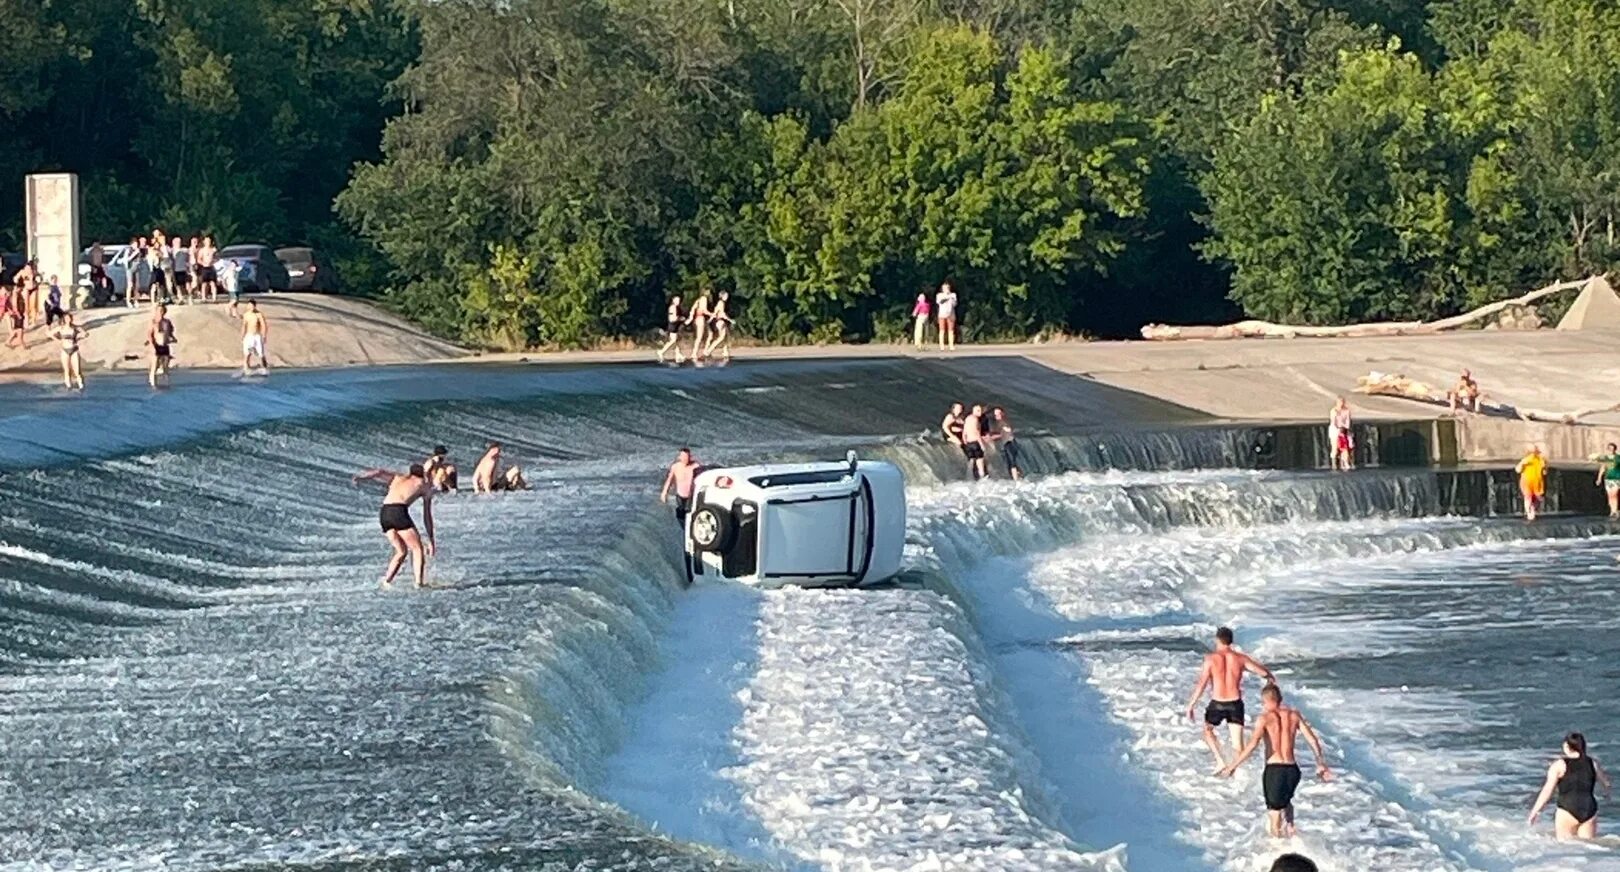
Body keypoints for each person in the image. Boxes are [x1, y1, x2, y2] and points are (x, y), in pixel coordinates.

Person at [1218, 683, 1335, 837]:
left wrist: (1233, 766)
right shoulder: (1294, 715)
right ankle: (1292, 831)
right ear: (1280, 698)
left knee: (1274, 815)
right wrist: (1320, 762)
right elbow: (1312, 740)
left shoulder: (1265, 718)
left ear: (1265, 701)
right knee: (1285, 802)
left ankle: (1278, 846)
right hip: (1293, 771)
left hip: (1275, 770)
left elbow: (1252, 745)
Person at [1184, 626, 1278, 771]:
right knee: (1238, 746)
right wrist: (1270, 677)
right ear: (1231, 641)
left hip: (1218, 703)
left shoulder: (1211, 659)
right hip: (1235, 704)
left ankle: (1220, 761)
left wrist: (1191, 705)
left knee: (1208, 731)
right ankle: (1241, 774)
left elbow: (1201, 684)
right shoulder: (1240, 658)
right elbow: (1261, 672)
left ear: (1217, 640)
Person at [351, 464, 436, 589]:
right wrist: (431, 539)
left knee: (401, 551)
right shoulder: (423, 485)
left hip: (384, 513)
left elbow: (379, 471)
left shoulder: (397, 478)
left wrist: (360, 477)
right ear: (423, 474)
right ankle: (419, 583)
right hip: (398, 511)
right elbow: (427, 515)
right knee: (417, 549)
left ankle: (387, 581)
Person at [1529, 732, 1611, 840]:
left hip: (1567, 809)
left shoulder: (1559, 765)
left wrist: (1535, 812)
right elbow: (1606, 784)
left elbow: (1547, 791)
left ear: (1567, 746)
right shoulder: (1592, 763)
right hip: (1589, 810)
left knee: (1565, 850)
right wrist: (1607, 795)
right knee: (1587, 849)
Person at [659, 447, 700, 525]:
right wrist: (664, 493)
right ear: (679, 457)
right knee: (680, 513)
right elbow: (669, 480)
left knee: (690, 513)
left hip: (691, 496)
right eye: (683, 457)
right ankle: (684, 528)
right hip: (680, 496)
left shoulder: (695, 466)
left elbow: (703, 477)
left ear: (690, 457)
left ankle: (691, 527)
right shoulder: (675, 467)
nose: (685, 459)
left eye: (687, 457)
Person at [52, 312, 85, 391]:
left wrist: (80, 337)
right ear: (64, 319)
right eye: (66, 318)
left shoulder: (74, 327)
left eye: (69, 318)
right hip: (64, 350)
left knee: (77, 370)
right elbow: (49, 333)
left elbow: (85, 333)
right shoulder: (61, 328)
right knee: (67, 370)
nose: (68, 320)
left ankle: (81, 385)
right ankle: (68, 385)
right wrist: (57, 340)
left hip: (74, 349)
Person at [990, 406, 1024, 480]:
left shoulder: (1003, 422)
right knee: (1011, 462)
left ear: (1002, 414)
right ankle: (1019, 476)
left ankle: (1016, 480)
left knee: (1012, 463)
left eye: (998, 414)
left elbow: (1006, 432)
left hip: (1010, 443)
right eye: (995, 414)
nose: (996, 416)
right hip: (1010, 443)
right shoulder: (1001, 422)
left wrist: (991, 437)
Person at [146, 304, 176, 388]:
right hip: (156, 345)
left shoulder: (167, 322)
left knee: (166, 365)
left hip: (165, 345)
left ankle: (166, 383)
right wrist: (152, 345)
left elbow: (170, 332)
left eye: (162, 311)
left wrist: (173, 338)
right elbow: (149, 334)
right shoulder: (153, 322)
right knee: (155, 364)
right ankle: (153, 384)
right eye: (159, 311)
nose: (161, 312)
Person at [1517, 445, 1547, 521]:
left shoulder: (1541, 460)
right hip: (1527, 481)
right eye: (1531, 452)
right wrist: (1522, 464)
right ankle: (1529, 513)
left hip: (1537, 482)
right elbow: (1518, 470)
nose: (1533, 454)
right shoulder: (1525, 460)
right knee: (1528, 497)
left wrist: (1544, 467)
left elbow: (1544, 472)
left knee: (1537, 497)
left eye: (1534, 452)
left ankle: (1532, 510)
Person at [962, 403, 990, 480]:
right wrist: (982, 445)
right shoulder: (976, 419)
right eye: (978, 411)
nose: (980, 412)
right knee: (980, 462)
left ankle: (969, 478)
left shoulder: (967, 418)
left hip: (968, 443)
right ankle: (982, 477)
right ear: (973, 411)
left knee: (971, 461)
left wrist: (965, 441)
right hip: (975, 443)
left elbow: (964, 432)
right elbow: (977, 433)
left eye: (980, 410)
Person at [241, 299, 269, 375]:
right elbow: (244, 326)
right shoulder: (246, 315)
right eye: (249, 305)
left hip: (257, 335)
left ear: (255, 306)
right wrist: (242, 336)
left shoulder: (259, 314)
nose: (251, 307)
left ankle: (265, 368)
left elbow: (263, 325)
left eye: (252, 305)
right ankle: (246, 368)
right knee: (247, 353)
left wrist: (264, 335)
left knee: (261, 354)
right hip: (249, 335)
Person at [704, 291, 734, 360]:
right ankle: (708, 350)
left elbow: (715, 312)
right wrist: (730, 320)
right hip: (720, 321)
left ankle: (725, 351)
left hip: (718, 321)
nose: (727, 297)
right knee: (721, 338)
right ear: (722, 296)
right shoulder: (721, 303)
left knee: (725, 337)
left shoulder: (719, 303)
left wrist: (711, 320)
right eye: (726, 296)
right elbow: (722, 314)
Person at [657, 295, 685, 365]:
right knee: (673, 341)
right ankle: (661, 351)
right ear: (673, 300)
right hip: (672, 326)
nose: (678, 302)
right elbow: (672, 319)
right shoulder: (672, 307)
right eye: (677, 300)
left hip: (674, 325)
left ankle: (678, 355)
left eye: (679, 300)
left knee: (676, 341)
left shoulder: (676, 307)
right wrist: (680, 318)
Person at [686, 290, 712, 363]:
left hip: (699, 318)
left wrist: (691, 317)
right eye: (708, 291)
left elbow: (693, 309)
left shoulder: (698, 300)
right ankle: (694, 353)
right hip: (700, 318)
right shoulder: (704, 299)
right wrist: (712, 314)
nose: (709, 292)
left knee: (710, 334)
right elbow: (704, 310)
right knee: (700, 337)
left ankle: (705, 350)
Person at [1328, 397, 1353, 471]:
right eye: (1339, 402)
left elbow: (1348, 420)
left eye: (1342, 402)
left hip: (1344, 429)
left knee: (1346, 447)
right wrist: (1339, 428)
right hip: (1335, 430)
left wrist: (1345, 428)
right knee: (1335, 447)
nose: (1341, 404)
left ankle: (1345, 463)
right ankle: (1334, 465)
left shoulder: (1347, 411)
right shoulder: (1333, 411)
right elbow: (1333, 421)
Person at [1596, 443, 1620, 519]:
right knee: (1610, 495)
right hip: (1608, 478)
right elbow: (1602, 468)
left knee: (1614, 494)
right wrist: (1599, 478)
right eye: (1609, 449)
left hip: (1616, 478)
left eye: (1612, 449)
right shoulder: (1606, 459)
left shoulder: (1618, 458)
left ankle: (1615, 510)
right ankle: (1612, 510)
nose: (1611, 450)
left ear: (1615, 450)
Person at [936, 282, 958, 351]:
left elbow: (954, 304)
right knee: (942, 330)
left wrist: (951, 298)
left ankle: (951, 345)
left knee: (951, 330)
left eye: (948, 288)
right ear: (942, 289)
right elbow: (940, 302)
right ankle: (941, 345)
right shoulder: (939, 295)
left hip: (951, 314)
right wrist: (947, 297)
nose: (947, 289)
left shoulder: (953, 295)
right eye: (945, 288)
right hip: (942, 314)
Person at [196, 236, 218, 302]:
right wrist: (203, 263)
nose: (208, 242)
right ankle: (203, 297)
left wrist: (213, 261)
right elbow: (198, 259)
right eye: (206, 241)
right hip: (205, 268)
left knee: (213, 283)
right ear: (204, 242)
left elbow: (217, 258)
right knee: (204, 283)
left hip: (211, 267)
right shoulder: (202, 250)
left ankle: (214, 297)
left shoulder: (213, 250)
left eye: (209, 241)